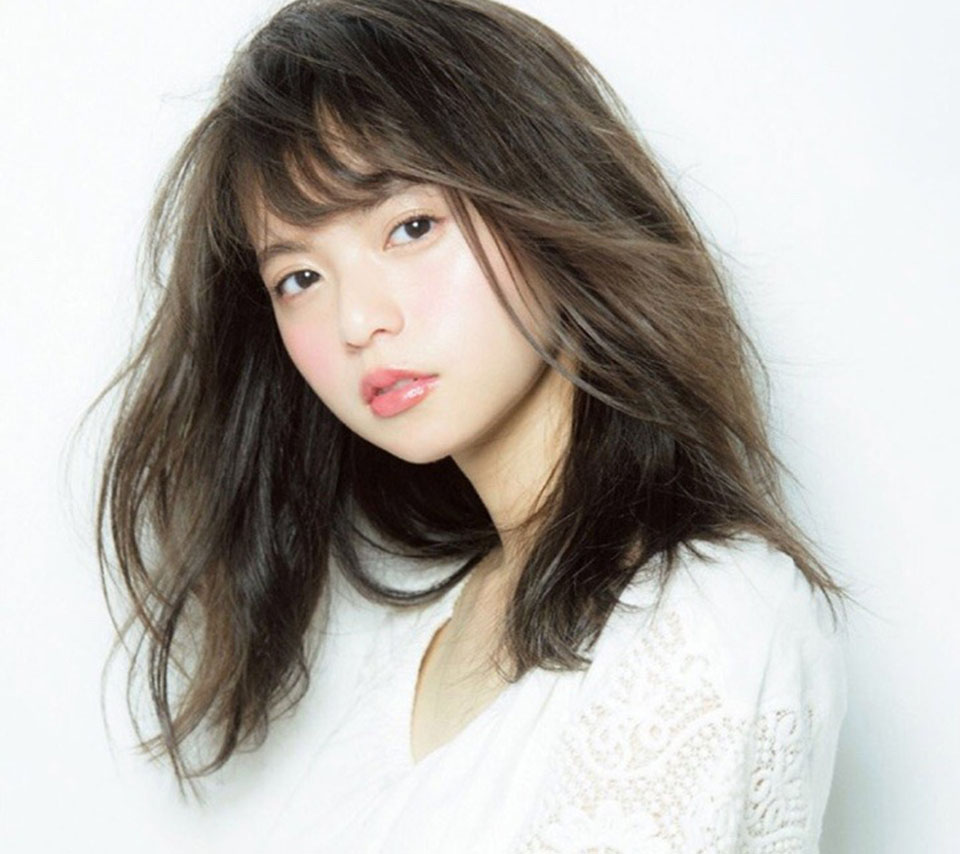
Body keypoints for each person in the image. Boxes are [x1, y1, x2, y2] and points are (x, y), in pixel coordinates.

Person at [94, 0, 850, 850]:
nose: (357, 321)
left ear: (549, 194)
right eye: (299, 278)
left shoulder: (709, 611)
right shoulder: (418, 646)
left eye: (410, 227)